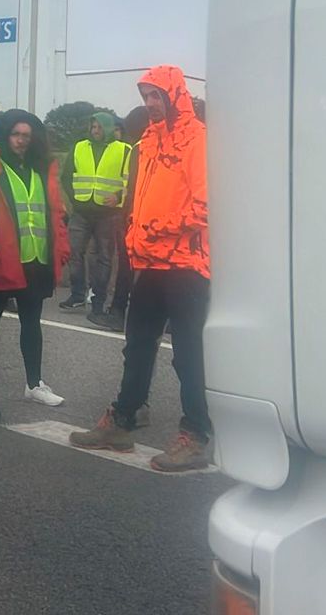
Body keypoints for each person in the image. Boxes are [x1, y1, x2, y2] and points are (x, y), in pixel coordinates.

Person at [70, 66, 213, 472]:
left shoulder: (197, 140)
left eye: (157, 95)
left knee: (188, 354)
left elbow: (204, 207)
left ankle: (196, 434)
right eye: (146, 95)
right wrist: (136, 232)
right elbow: (141, 199)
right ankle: (123, 419)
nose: (150, 102)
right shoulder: (147, 142)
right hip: (149, 261)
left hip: (186, 264)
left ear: (174, 95)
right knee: (137, 346)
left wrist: (155, 229)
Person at [0, 110, 69, 409]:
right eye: (16, 134)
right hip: (2, 259)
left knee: (32, 324)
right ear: (6, 136)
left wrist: (61, 248)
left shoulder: (42, 170)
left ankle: (34, 383)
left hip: (35, 259)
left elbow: (54, 213)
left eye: (26, 136)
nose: (21, 141)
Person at [60, 111, 129, 314]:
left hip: (107, 213)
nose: (95, 131)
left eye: (99, 127)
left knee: (105, 257)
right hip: (81, 210)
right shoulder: (79, 147)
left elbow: (130, 180)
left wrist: (118, 197)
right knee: (74, 253)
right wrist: (74, 198)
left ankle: (98, 299)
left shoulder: (124, 150)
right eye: (93, 127)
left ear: (108, 127)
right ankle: (77, 294)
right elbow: (66, 176)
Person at [93, 105, 152, 332]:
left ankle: (117, 312)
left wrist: (124, 217)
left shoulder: (139, 148)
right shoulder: (158, 148)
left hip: (134, 219)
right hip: (152, 220)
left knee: (126, 269)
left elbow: (134, 187)